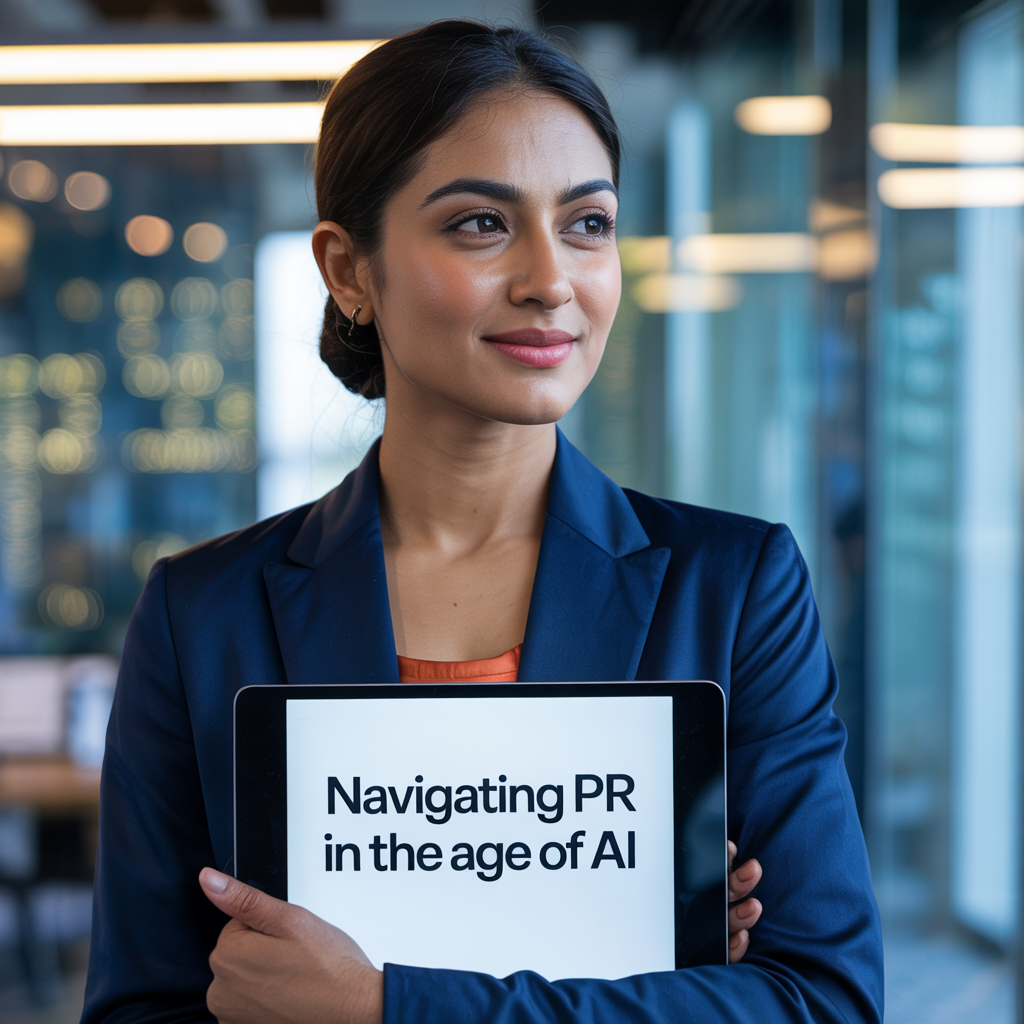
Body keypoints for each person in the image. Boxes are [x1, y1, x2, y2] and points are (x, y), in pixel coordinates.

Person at [80, 20, 882, 1024]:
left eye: (586, 223)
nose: (551, 279)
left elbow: (822, 1000)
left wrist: (382, 1005)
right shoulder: (203, 612)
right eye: (479, 225)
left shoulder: (735, 586)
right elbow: (141, 1008)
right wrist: (656, 982)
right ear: (349, 270)